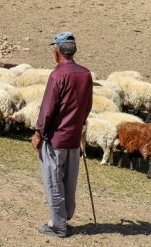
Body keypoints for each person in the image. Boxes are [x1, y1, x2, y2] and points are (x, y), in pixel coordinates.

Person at [31, 31, 92, 238]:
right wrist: (79, 125)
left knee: (53, 181)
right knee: (69, 180)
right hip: (74, 138)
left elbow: (47, 109)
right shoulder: (85, 74)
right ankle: (65, 217)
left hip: (56, 138)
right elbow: (87, 106)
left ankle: (58, 226)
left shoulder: (58, 75)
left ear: (57, 51)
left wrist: (38, 133)